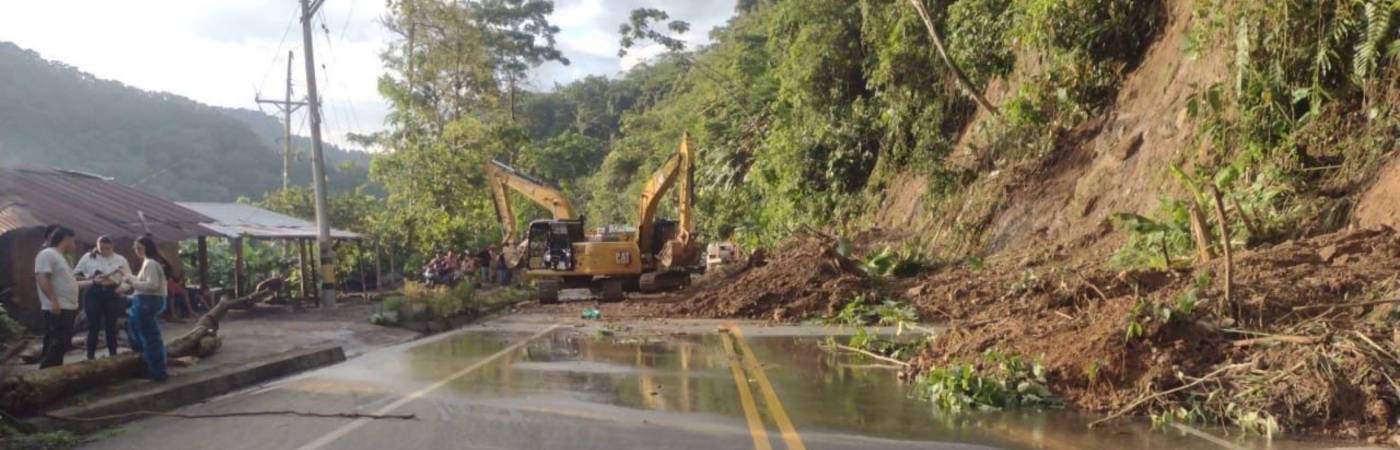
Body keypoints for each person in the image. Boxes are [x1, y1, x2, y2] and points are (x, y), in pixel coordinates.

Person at [35, 225, 92, 368]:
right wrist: (53, 301)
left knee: (63, 342)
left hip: (68, 305)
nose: (74, 244)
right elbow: (42, 278)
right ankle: (45, 372)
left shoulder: (61, 258)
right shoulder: (47, 254)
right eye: (73, 241)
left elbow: (70, 283)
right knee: (57, 342)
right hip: (58, 306)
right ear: (66, 239)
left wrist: (93, 282)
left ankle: (55, 372)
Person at [74, 235, 130, 360]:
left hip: (112, 292)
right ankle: (90, 356)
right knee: (93, 325)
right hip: (93, 291)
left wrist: (122, 288)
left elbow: (128, 278)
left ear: (112, 247)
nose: (104, 251)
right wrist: (90, 278)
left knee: (111, 325)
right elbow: (76, 274)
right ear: (97, 246)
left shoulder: (120, 259)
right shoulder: (88, 257)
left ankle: (113, 354)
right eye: (102, 248)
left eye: (107, 248)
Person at [126, 235, 170, 381]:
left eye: (139, 248)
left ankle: (157, 370)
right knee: (139, 332)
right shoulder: (148, 262)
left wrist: (132, 282)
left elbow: (152, 285)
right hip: (144, 299)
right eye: (135, 248)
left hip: (148, 301)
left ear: (147, 248)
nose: (137, 251)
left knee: (150, 337)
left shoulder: (151, 263)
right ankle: (149, 365)